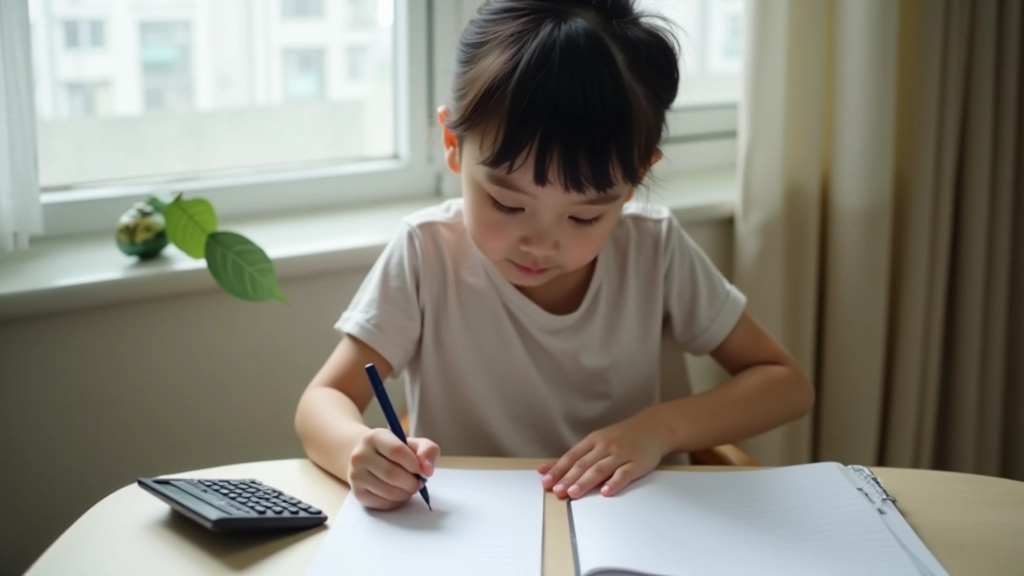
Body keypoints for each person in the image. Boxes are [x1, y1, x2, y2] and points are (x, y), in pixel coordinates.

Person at [295, 0, 814, 511]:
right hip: (473, 532)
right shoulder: (427, 252)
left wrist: (660, 429)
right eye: (506, 203)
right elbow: (321, 402)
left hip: (636, 523)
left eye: (584, 216)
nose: (541, 244)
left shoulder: (652, 248)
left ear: (636, 176)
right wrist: (356, 452)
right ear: (453, 143)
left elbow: (785, 384)